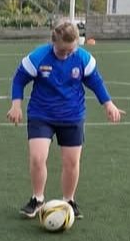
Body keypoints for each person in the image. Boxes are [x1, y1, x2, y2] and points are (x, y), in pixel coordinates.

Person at [7, 16, 122, 220]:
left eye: (71, 50)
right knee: (37, 157)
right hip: (41, 113)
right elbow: (19, 79)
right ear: (53, 43)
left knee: (71, 162)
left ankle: (69, 200)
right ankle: (37, 199)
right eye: (62, 51)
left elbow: (95, 81)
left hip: (72, 115)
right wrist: (16, 104)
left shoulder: (83, 58)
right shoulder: (38, 57)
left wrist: (108, 104)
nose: (66, 55)